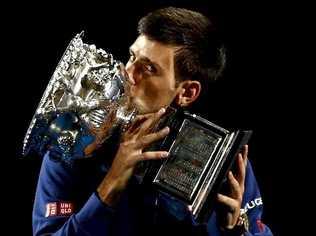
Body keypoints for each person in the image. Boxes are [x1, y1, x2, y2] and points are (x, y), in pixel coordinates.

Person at [32, 7, 273, 236]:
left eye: (148, 68)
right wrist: (111, 184)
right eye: (131, 57)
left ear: (187, 93)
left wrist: (235, 229)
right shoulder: (73, 144)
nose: (128, 73)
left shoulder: (222, 159)